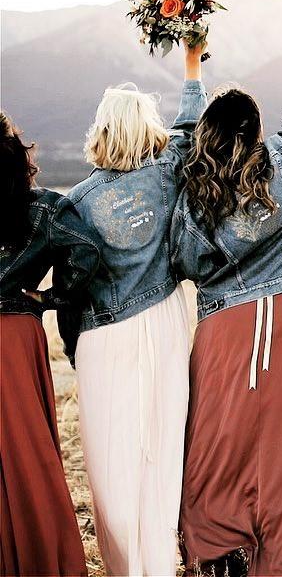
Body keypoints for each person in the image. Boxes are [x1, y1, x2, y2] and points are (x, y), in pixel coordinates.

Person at [171, 18, 282, 576]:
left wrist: (191, 69)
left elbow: (187, 261)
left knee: (217, 444)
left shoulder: (194, 190)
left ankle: (219, 551)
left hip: (226, 327)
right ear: (256, 131)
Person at [65, 40, 207, 576]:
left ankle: (126, 563)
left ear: (101, 132)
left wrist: (72, 344)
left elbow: (73, 286)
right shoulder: (167, 172)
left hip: (104, 336)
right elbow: (191, 126)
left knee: (110, 453)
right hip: (165, 319)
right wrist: (192, 66)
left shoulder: (77, 201)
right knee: (163, 445)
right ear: (148, 129)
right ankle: (160, 560)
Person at [0, 112, 96, 577]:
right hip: (15, 337)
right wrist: (51, 298)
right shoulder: (43, 208)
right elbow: (87, 252)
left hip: (14, 339)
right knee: (26, 451)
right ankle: (37, 556)